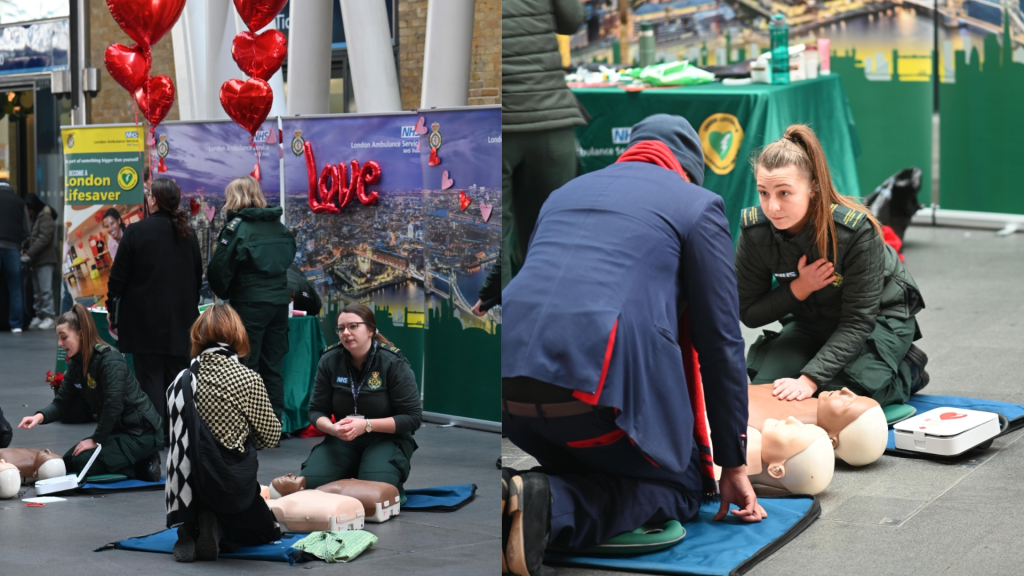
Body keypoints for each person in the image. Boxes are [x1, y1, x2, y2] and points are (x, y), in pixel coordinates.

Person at [500, 115, 764, 576]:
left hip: (511, 394)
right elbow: (720, 343)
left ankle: (514, 498)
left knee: (598, 463)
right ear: (687, 168)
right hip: (595, 393)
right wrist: (733, 463)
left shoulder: (563, 195)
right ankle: (549, 506)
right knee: (682, 488)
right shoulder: (698, 205)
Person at [735, 124, 927, 409]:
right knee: (769, 391)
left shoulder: (856, 231)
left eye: (784, 193)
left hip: (879, 319)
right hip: (810, 319)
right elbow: (748, 313)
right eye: (764, 193)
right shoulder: (755, 231)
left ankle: (906, 371)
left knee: (835, 401)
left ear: (813, 187)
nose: (772, 206)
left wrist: (809, 379)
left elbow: (858, 320)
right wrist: (800, 288)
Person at [165, 304, 281, 563]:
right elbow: (271, 437)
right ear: (237, 335)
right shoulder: (247, 379)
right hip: (232, 486)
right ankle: (219, 528)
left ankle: (194, 525)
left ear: (197, 336)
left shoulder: (179, 381)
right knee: (267, 532)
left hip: (190, 488)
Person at [18, 304, 163, 480]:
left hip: (141, 433)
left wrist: (95, 440)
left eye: (63, 338)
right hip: (117, 431)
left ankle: (142, 465)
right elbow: (61, 403)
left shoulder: (110, 360)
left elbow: (113, 405)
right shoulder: (76, 365)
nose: (60, 344)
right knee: (69, 462)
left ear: (81, 334)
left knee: (82, 464)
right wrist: (39, 417)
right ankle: (129, 459)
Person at [107, 178, 203, 446]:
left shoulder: (136, 232)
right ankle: (178, 435)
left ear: (154, 200)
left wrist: (113, 310)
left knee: (149, 382)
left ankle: (155, 437)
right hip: (182, 322)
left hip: (143, 322)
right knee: (177, 382)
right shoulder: (189, 235)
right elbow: (197, 278)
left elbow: (117, 280)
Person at [502, 0, 587, 285]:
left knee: (490, 244)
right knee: (552, 238)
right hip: (550, 118)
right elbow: (572, 20)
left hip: (494, 125)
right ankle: (549, 323)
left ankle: (491, 323)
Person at [299, 304, 422, 501]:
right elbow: (316, 410)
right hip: (343, 438)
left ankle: (375, 471)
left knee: (373, 494)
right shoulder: (329, 360)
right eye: (341, 328)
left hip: (385, 438)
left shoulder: (392, 362)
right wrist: (332, 429)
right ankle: (354, 468)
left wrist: (367, 425)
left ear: (371, 330)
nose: (346, 333)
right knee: (309, 486)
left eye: (353, 326)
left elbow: (413, 418)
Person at [207, 176, 296, 428]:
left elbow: (219, 270)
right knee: (273, 367)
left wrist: (225, 293)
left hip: (249, 305)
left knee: (248, 366)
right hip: (279, 305)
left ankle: (251, 426)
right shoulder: (279, 226)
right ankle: (273, 425)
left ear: (235, 197)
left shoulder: (237, 228)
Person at [23, 195, 59, 331]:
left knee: (45, 290)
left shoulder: (45, 217)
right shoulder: (37, 218)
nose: (28, 213)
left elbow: (43, 239)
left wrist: (29, 253)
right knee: (38, 291)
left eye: (29, 209)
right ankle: (39, 315)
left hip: (45, 259)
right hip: (37, 260)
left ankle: (49, 316)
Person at [0, 180, 30, 333]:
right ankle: (16, 324)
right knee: (15, 288)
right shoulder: (19, 202)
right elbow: (27, 229)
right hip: (12, 248)